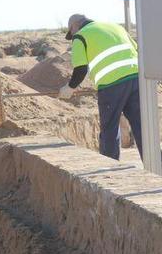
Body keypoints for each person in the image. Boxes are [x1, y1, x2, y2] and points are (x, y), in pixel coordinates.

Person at [60, 14, 142, 160]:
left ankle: (110, 169)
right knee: (142, 126)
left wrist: (69, 87)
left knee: (109, 128)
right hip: (136, 79)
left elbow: (80, 69)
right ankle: (156, 166)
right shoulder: (116, 27)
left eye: (71, 33)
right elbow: (137, 51)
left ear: (74, 26)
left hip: (111, 85)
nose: (72, 36)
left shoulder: (80, 36)